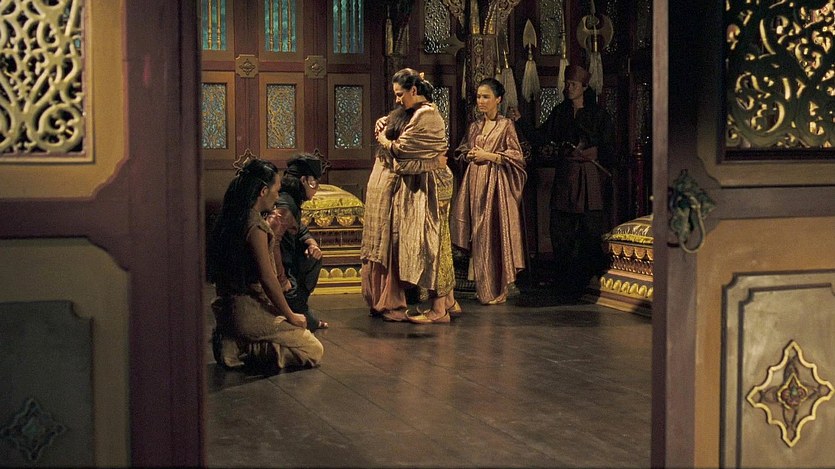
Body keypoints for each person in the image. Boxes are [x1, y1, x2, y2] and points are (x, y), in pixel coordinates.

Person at [207, 157, 323, 370]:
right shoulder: (255, 227)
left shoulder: (232, 217)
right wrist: (290, 315)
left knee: (302, 327)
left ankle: (232, 338)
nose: (278, 196)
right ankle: (241, 347)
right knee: (313, 349)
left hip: (227, 307)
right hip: (246, 311)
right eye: (276, 190)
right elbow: (268, 278)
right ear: (263, 191)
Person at [512, 64, 615, 298]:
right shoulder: (560, 112)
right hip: (566, 177)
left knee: (589, 230)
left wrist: (595, 152)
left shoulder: (599, 115)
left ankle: (587, 281)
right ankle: (564, 282)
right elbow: (541, 137)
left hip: (589, 177)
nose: (569, 88)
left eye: (573, 85)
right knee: (560, 229)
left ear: (584, 87)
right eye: (567, 84)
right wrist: (520, 120)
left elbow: (609, 147)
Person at [373, 68, 459, 324]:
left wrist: (383, 140)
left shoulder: (426, 115)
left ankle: (439, 309)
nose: (397, 99)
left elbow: (401, 150)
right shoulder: (418, 112)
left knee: (434, 243)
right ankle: (449, 301)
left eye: (401, 94)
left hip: (433, 185)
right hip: (427, 181)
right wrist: (385, 121)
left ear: (414, 90)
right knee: (439, 241)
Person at [361, 105, 447, 320]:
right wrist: (435, 162)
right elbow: (403, 164)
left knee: (382, 244)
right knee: (390, 245)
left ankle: (381, 300)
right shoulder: (403, 133)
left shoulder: (397, 122)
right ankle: (390, 302)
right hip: (389, 187)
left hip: (380, 184)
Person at [451, 77, 527, 305]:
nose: (481, 101)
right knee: (479, 235)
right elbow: (462, 150)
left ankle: (498, 289)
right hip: (475, 184)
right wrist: (468, 154)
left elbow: (517, 156)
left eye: (486, 97)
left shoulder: (506, 125)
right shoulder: (474, 126)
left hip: (497, 187)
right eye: (478, 97)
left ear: (498, 99)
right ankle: (483, 287)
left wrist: (489, 156)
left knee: (495, 233)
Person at [266, 153, 329, 332]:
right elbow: (271, 240)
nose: (316, 188)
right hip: (282, 275)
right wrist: (281, 279)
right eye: (314, 182)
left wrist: (311, 242)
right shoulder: (286, 204)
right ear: (304, 181)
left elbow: (297, 226)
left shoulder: (290, 200)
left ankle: (300, 311)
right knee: (306, 324)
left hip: (288, 266)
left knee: (315, 256)